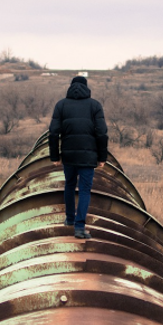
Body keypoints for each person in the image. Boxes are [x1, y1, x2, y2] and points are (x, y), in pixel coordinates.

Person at [49, 76, 108, 239]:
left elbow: (53, 133)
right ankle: (79, 228)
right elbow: (102, 133)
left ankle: (69, 219)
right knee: (84, 190)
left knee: (69, 185)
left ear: (70, 87)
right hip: (88, 155)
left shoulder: (61, 105)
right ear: (86, 87)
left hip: (68, 153)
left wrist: (55, 156)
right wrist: (102, 157)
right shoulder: (95, 105)